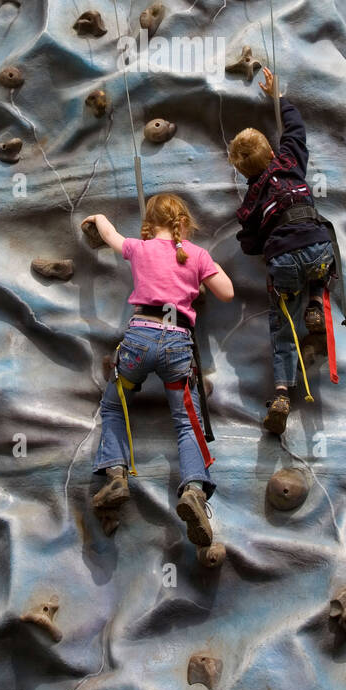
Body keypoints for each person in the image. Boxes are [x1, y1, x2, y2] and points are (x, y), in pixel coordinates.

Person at [85, 194, 234, 545]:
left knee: (114, 406)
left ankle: (117, 475)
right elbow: (226, 292)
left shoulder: (139, 247)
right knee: (187, 421)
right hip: (178, 344)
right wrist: (197, 281)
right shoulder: (196, 254)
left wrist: (98, 216)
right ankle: (194, 490)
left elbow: (111, 235)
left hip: (139, 338)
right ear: (184, 222)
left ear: (152, 223)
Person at [228, 68, 335, 435]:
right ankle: (318, 302)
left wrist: (260, 239)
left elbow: (248, 241)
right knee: (326, 261)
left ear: (243, 171)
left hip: (283, 259)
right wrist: (278, 98)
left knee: (282, 328)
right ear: (272, 151)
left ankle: (281, 394)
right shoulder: (290, 162)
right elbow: (296, 130)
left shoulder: (251, 197)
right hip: (315, 243)